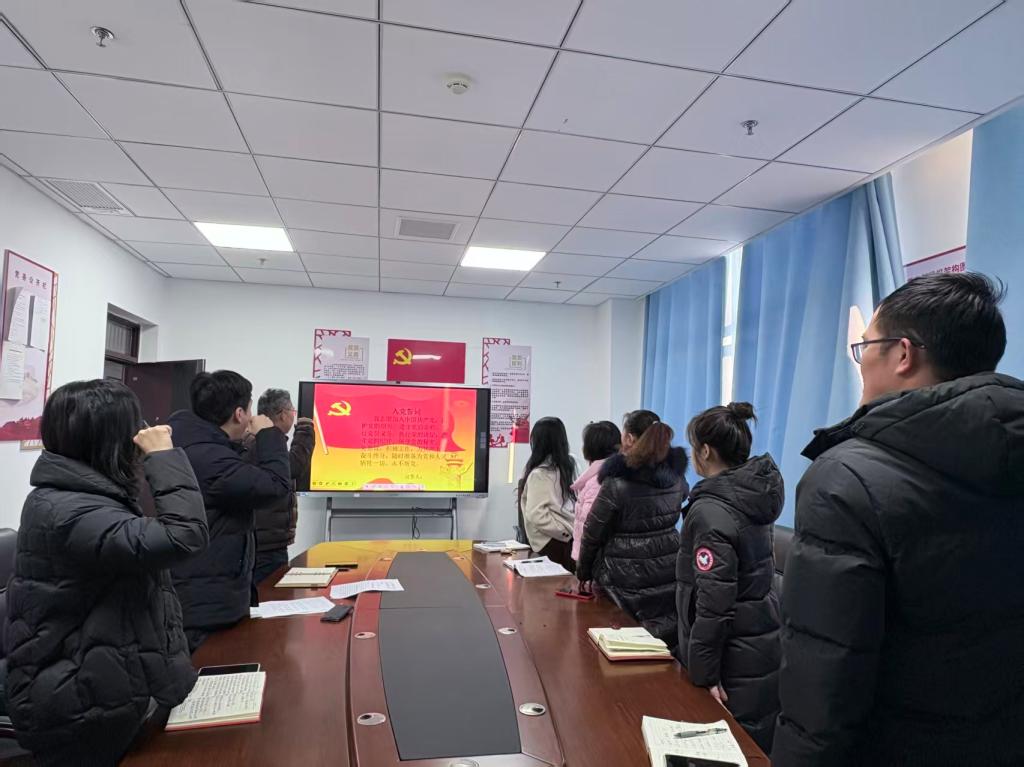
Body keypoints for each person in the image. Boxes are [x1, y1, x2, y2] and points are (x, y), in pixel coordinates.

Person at [773, 273, 1024, 766]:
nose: (861, 362)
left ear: (903, 354)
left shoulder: (847, 478)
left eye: (864, 347)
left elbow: (824, 685)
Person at [4, 380, 208, 765]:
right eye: (133, 429)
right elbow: (184, 537)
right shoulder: (68, 510)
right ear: (110, 440)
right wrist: (163, 457)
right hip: (79, 707)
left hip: (107, 688)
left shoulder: (85, 496)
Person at [678, 402, 782, 753]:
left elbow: (714, 603)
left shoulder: (711, 511)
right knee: (753, 743)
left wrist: (704, 674)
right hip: (760, 641)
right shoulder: (753, 495)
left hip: (731, 657)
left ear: (705, 451)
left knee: (729, 747)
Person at [169, 370, 290, 650]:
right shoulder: (211, 459)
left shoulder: (195, 445)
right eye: (249, 410)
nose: (251, 418)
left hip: (203, 591)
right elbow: (276, 487)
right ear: (239, 413)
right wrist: (269, 434)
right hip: (205, 603)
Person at [577, 410, 687, 645]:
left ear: (628, 438)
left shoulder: (617, 483)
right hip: (667, 569)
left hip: (623, 575)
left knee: (623, 643)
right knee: (661, 639)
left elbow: (593, 533)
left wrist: (583, 573)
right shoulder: (677, 479)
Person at [248, 388, 316, 586]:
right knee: (269, 594)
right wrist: (305, 430)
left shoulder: (257, 439)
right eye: (292, 412)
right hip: (266, 544)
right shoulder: (263, 443)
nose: (293, 417)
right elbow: (292, 467)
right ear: (283, 415)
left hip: (266, 540)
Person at [517, 417, 577, 572]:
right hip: (559, 539)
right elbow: (537, 514)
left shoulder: (546, 472)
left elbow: (536, 514)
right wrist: (565, 533)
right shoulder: (558, 468)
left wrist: (564, 534)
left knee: (558, 584)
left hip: (557, 541)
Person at [570, 420, 621, 563]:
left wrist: (583, 566)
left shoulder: (597, 482)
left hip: (595, 561)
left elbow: (591, 528)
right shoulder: (615, 474)